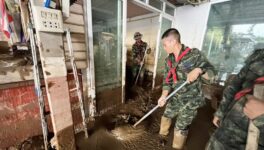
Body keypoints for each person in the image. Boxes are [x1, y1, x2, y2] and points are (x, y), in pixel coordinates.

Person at [157, 28, 215, 149]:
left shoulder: (194, 54)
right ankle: (162, 135)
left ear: (173, 41)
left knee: (181, 126)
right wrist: (164, 95)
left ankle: (176, 147)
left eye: (164, 44)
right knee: (166, 115)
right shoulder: (169, 60)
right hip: (176, 96)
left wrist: (199, 70)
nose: (164, 47)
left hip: (191, 99)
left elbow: (213, 73)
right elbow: (167, 80)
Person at [207, 49, 264, 150]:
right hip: (227, 126)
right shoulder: (259, 55)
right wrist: (220, 112)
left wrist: (261, 117)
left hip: (253, 142)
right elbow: (235, 85)